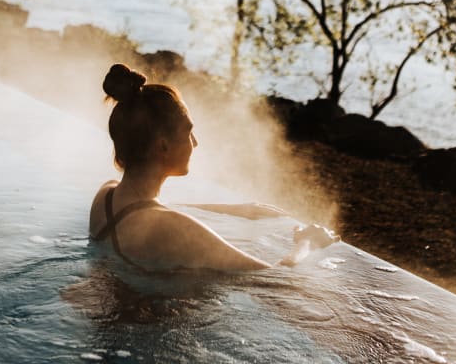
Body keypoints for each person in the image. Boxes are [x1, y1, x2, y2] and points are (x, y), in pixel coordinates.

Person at [89, 64, 338, 271]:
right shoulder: (178, 230)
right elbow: (275, 280)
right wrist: (308, 242)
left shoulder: (105, 197)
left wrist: (231, 209)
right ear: (163, 147)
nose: (195, 143)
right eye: (189, 132)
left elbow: (149, 211)